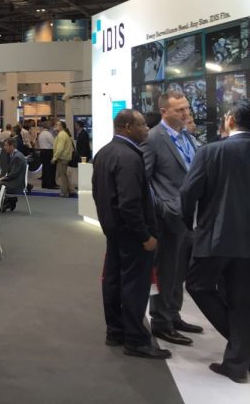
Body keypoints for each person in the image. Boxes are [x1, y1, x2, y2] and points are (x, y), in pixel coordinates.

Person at [181, 99, 250, 383]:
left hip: (216, 236)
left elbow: (188, 192)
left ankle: (241, 350)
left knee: (197, 285)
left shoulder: (211, 152)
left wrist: (189, 226)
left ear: (230, 120)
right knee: (242, 299)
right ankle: (237, 361)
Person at [92, 109, 170, 359]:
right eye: (142, 125)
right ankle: (136, 340)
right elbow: (129, 203)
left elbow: (98, 194)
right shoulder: (129, 157)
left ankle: (116, 331)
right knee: (135, 286)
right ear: (127, 127)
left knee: (113, 281)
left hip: (114, 230)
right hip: (132, 234)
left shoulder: (104, 153)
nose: (146, 129)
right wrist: (145, 235)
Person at [144, 91, 204, 347]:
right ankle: (161, 322)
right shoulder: (153, 138)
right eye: (179, 110)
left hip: (191, 215)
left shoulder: (187, 137)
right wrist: (163, 208)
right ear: (164, 112)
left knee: (180, 271)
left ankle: (173, 315)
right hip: (169, 217)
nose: (186, 113)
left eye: (186, 108)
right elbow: (143, 181)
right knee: (167, 271)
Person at [0, 137, 29, 213]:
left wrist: (1, 179)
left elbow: (13, 174)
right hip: (15, 181)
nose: (4, 147)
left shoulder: (17, 157)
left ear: (11, 146)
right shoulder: (15, 155)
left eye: (6, 145)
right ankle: (7, 201)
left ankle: (0, 204)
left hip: (16, 184)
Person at [52, 120, 75, 197]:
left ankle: (64, 192)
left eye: (57, 124)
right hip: (64, 157)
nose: (55, 125)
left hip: (62, 158)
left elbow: (60, 148)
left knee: (62, 176)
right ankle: (70, 190)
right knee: (64, 175)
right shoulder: (63, 134)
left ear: (61, 126)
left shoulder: (61, 135)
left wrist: (54, 158)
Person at [37, 120, 57, 189]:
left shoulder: (41, 134)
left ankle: (44, 184)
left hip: (42, 151)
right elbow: (53, 143)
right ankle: (50, 184)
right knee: (50, 169)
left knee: (45, 169)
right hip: (49, 152)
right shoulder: (48, 134)